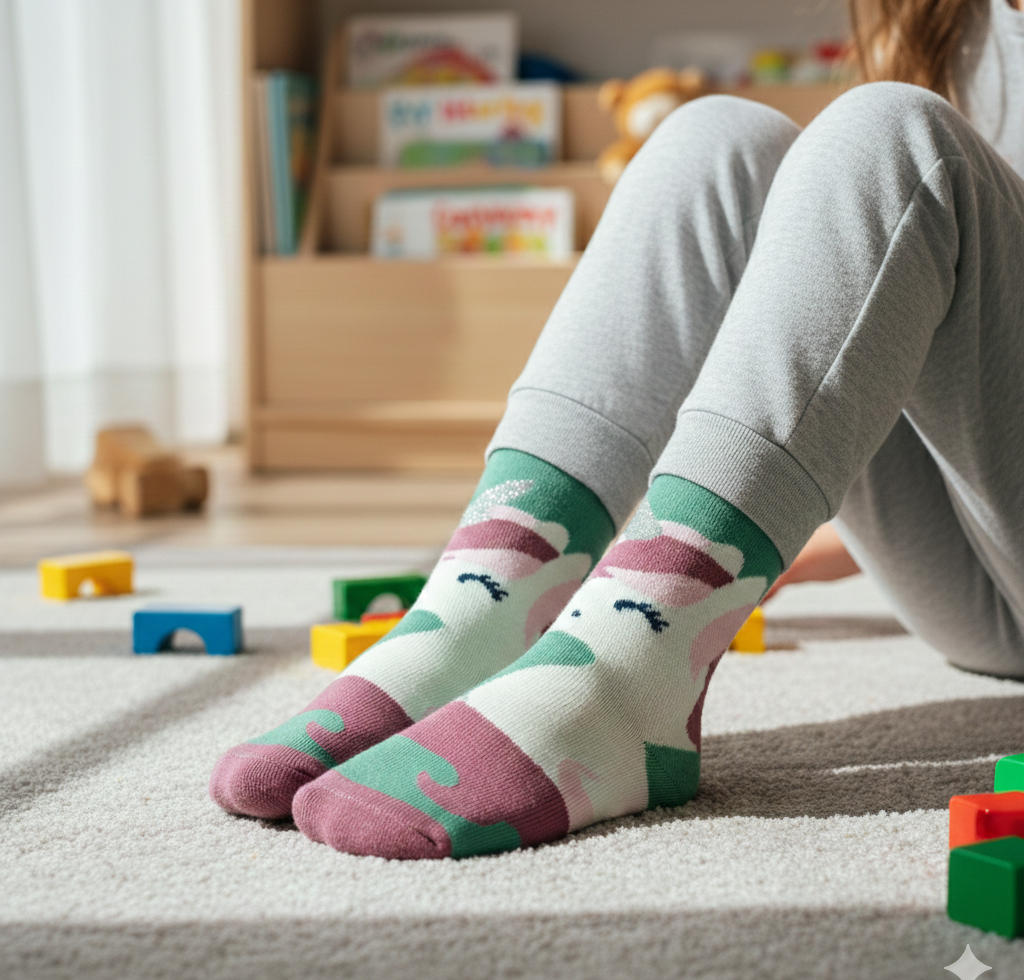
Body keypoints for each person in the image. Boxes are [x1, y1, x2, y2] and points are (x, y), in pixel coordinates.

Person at [210, 0, 1024, 859]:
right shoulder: (950, 15)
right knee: (718, 140)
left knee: (888, 131)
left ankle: (637, 670)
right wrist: (757, 538)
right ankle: (488, 606)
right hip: (981, 582)